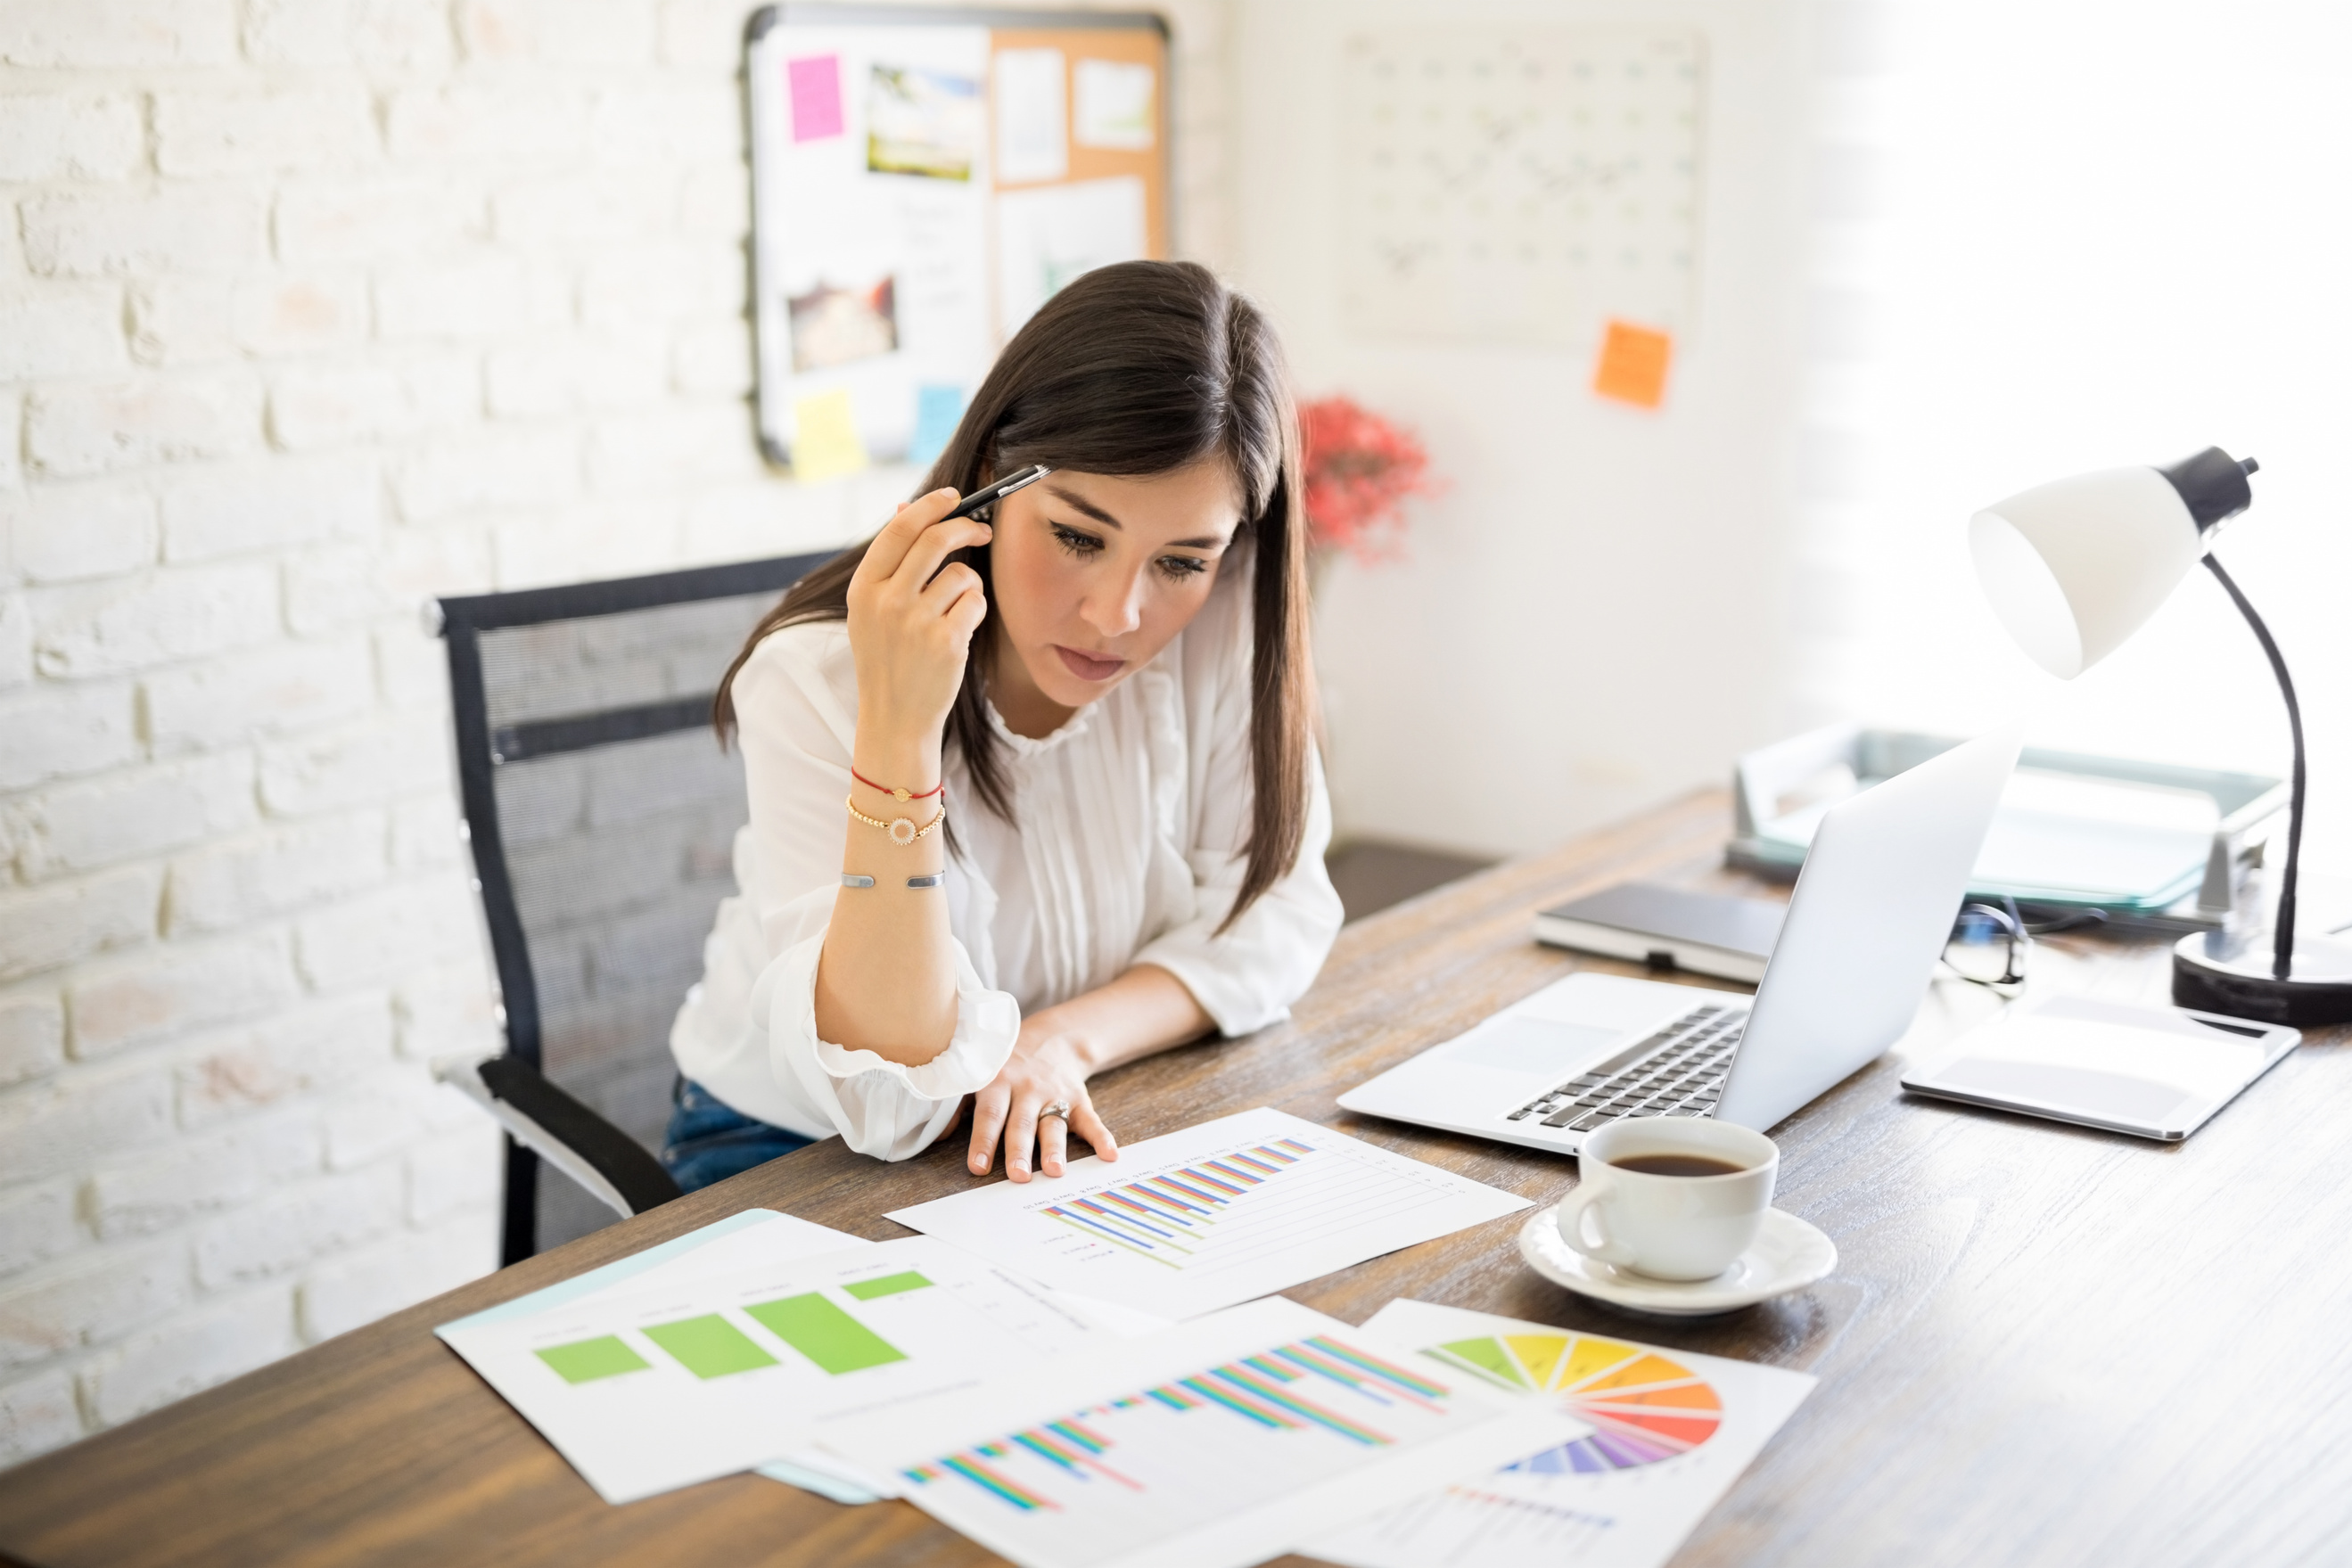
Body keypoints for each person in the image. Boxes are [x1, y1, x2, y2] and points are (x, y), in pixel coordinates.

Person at [663, 260, 1344, 1192]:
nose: (1116, 614)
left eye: (1181, 561)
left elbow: (1279, 912)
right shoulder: (815, 676)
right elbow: (888, 1099)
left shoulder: (1225, 619)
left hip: (1074, 1104)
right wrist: (900, 733)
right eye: (1076, 536)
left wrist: (1059, 1039)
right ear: (988, 477)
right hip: (796, 1155)